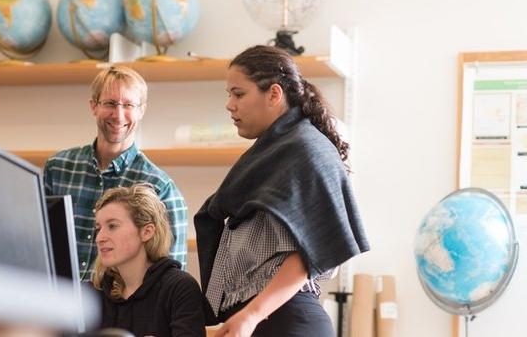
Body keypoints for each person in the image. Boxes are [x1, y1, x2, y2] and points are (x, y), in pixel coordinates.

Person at [195, 45, 370, 337]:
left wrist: (251, 315)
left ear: (274, 94)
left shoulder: (304, 150)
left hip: (283, 322)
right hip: (262, 320)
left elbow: (307, 254)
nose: (230, 105)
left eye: (239, 94)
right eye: (229, 95)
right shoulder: (275, 153)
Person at [43, 66, 188, 280]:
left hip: (121, 311)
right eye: (110, 103)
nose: (118, 115)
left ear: (141, 110)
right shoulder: (57, 168)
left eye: (128, 105)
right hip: (56, 305)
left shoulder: (160, 187)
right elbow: (34, 241)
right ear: (94, 106)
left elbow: (171, 279)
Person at [92, 184, 205, 337]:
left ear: (146, 232)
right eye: (98, 228)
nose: (99, 238)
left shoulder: (180, 287)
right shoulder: (92, 292)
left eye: (112, 226)